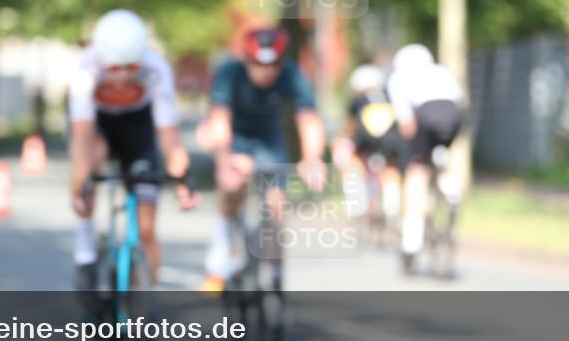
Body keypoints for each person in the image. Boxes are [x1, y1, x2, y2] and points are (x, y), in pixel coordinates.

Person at [68, 9, 198, 290]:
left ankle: (145, 301)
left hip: (137, 128)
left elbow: (169, 137)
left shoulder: (156, 67)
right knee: (92, 159)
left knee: (146, 228)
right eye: (115, 68)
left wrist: (182, 180)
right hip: (98, 126)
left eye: (132, 67)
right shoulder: (86, 67)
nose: (124, 76)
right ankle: (85, 249)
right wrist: (83, 179)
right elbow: (82, 135)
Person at [196, 27, 326, 291]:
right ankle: (222, 250)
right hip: (236, 135)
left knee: (276, 204)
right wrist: (224, 162)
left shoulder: (291, 74)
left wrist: (312, 158)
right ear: (248, 60)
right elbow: (220, 120)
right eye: (259, 64)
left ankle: (274, 269)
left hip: (269, 138)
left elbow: (308, 118)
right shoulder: (229, 74)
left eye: (273, 65)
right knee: (233, 186)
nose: (267, 71)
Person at [386, 44, 464, 273]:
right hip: (452, 115)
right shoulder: (441, 71)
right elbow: (458, 100)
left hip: (425, 114)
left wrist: (409, 147)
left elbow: (407, 123)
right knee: (440, 158)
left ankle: (412, 239)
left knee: (416, 171)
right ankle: (450, 190)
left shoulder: (398, 78)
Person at [332, 64, 403, 224]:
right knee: (391, 169)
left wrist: (341, 137)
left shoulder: (358, 101)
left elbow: (349, 125)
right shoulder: (390, 98)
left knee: (352, 161)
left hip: (365, 142)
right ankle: (392, 206)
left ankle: (357, 202)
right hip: (389, 142)